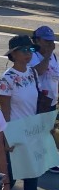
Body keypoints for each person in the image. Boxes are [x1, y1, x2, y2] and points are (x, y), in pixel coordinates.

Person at [0, 35, 56, 190]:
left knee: (14, 176)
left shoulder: (31, 73)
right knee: (30, 176)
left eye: (31, 50)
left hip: (31, 131)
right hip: (16, 133)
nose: (28, 54)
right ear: (13, 53)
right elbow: (4, 110)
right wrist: (5, 137)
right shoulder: (7, 79)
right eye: (24, 50)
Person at [30, 26, 59, 173]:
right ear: (37, 40)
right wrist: (47, 55)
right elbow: (39, 71)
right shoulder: (32, 55)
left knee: (47, 130)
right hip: (39, 100)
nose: (49, 44)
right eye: (46, 40)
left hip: (51, 100)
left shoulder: (53, 56)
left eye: (51, 41)